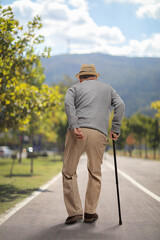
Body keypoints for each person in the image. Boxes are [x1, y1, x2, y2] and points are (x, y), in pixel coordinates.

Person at [62, 64, 125, 224]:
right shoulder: (108, 88)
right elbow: (120, 105)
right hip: (99, 133)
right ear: (95, 77)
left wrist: (75, 124)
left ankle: (75, 212)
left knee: (69, 172)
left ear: (80, 78)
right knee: (95, 172)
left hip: (78, 132)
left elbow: (68, 105)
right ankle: (90, 212)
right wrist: (115, 128)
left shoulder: (74, 89)